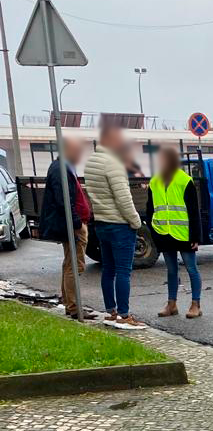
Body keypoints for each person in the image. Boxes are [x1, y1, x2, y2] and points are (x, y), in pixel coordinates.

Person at [84, 125, 145, 329]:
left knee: (108, 269)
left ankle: (110, 311)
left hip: (101, 223)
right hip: (120, 225)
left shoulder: (92, 162)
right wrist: (136, 221)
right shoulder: (113, 164)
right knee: (123, 271)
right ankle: (124, 314)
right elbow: (123, 199)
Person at [40, 138, 96, 320]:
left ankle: (69, 302)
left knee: (69, 263)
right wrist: (76, 222)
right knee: (75, 265)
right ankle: (74, 306)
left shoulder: (63, 167)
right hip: (73, 225)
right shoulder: (60, 169)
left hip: (74, 223)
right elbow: (63, 199)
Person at [146, 147, 203, 319]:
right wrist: (154, 231)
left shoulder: (185, 181)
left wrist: (195, 236)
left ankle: (196, 304)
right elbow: (150, 210)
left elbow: (194, 211)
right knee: (171, 270)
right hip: (163, 233)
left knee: (191, 268)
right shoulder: (154, 182)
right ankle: (171, 304)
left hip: (183, 233)